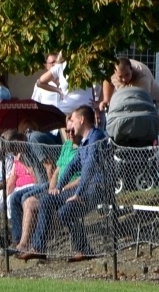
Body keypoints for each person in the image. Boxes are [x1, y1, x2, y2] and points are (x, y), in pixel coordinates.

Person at [14, 106, 105, 261]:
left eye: (74, 120)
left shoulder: (96, 137)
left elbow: (89, 168)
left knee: (66, 212)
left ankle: (85, 250)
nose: (71, 125)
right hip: (84, 188)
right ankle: (39, 248)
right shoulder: (84, 142)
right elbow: (72, 166)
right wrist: (57, 187)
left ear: (81, 120)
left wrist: (78, 193)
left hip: (97, 188)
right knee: (47, 199)